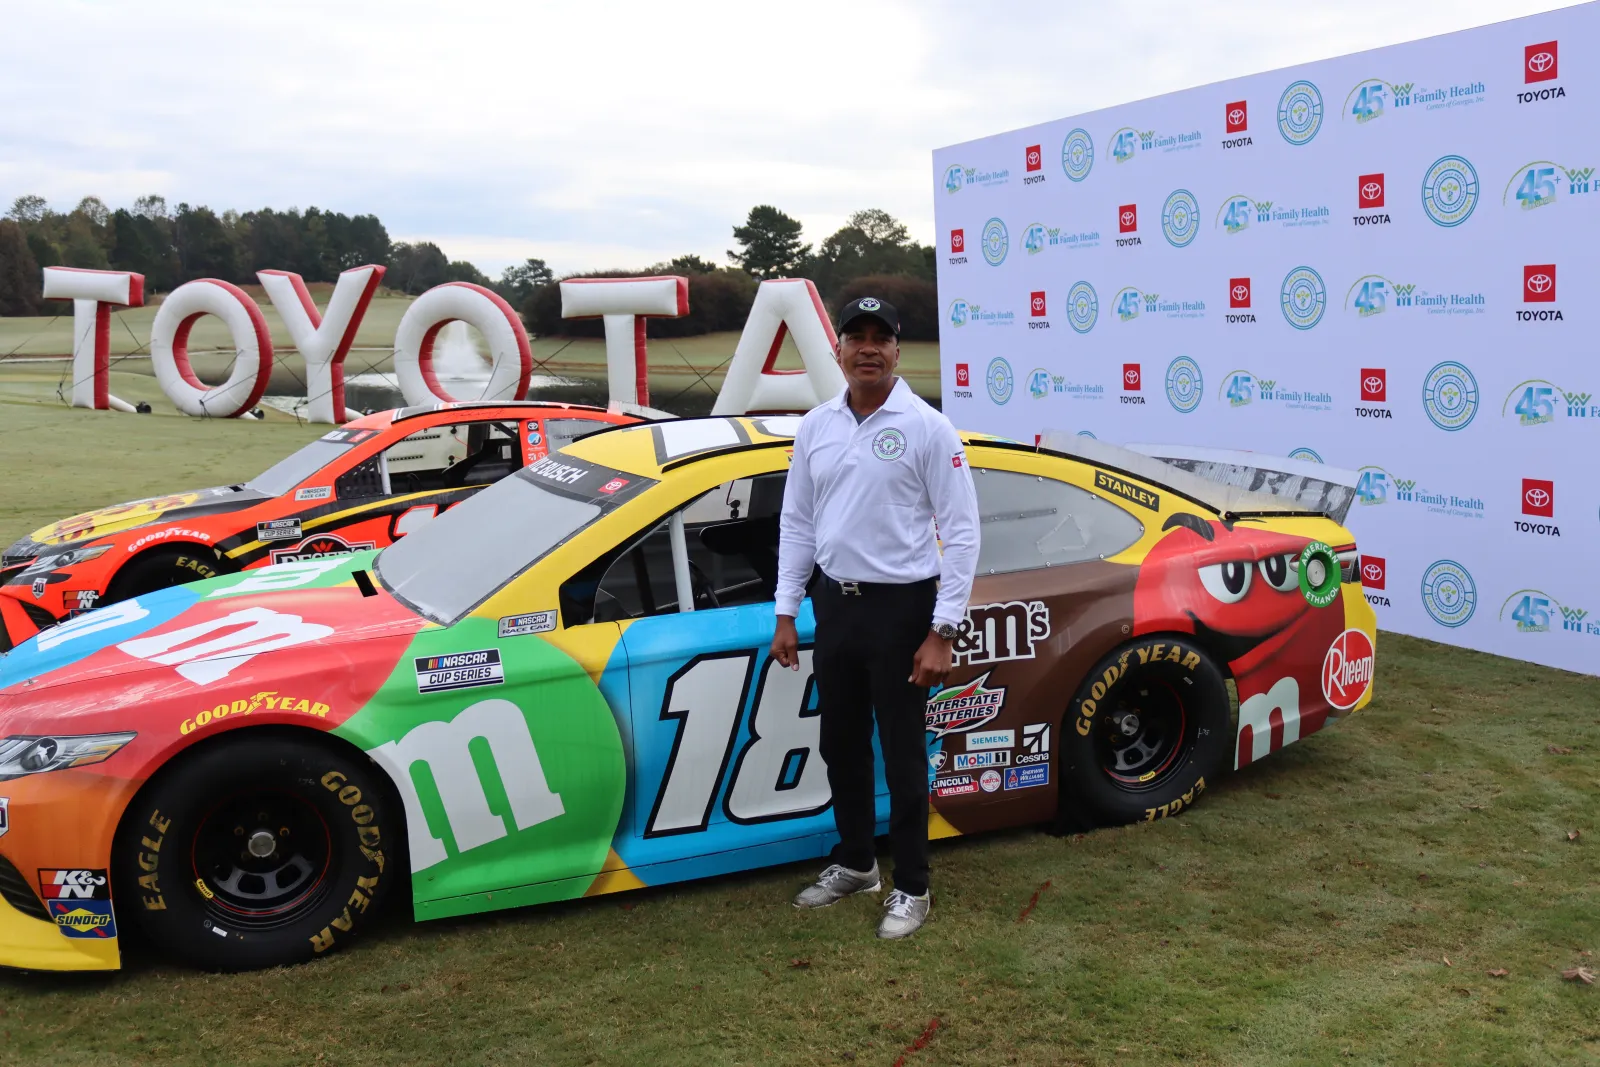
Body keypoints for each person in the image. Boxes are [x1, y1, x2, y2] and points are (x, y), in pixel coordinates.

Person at [771, 296, 980, 940]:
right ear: (837, 348)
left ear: (898, 351)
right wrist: (787, 611)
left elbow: (964, 533)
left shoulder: (927, 427)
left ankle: (913, 886)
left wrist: (942, 630)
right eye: (854, 336)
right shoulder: (816, 426)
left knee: (901, 752)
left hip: (902, 609)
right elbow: (798, 522)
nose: (867, 348)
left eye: (879, 338)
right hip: (835, 605)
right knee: (840, 744)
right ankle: (859, 862)